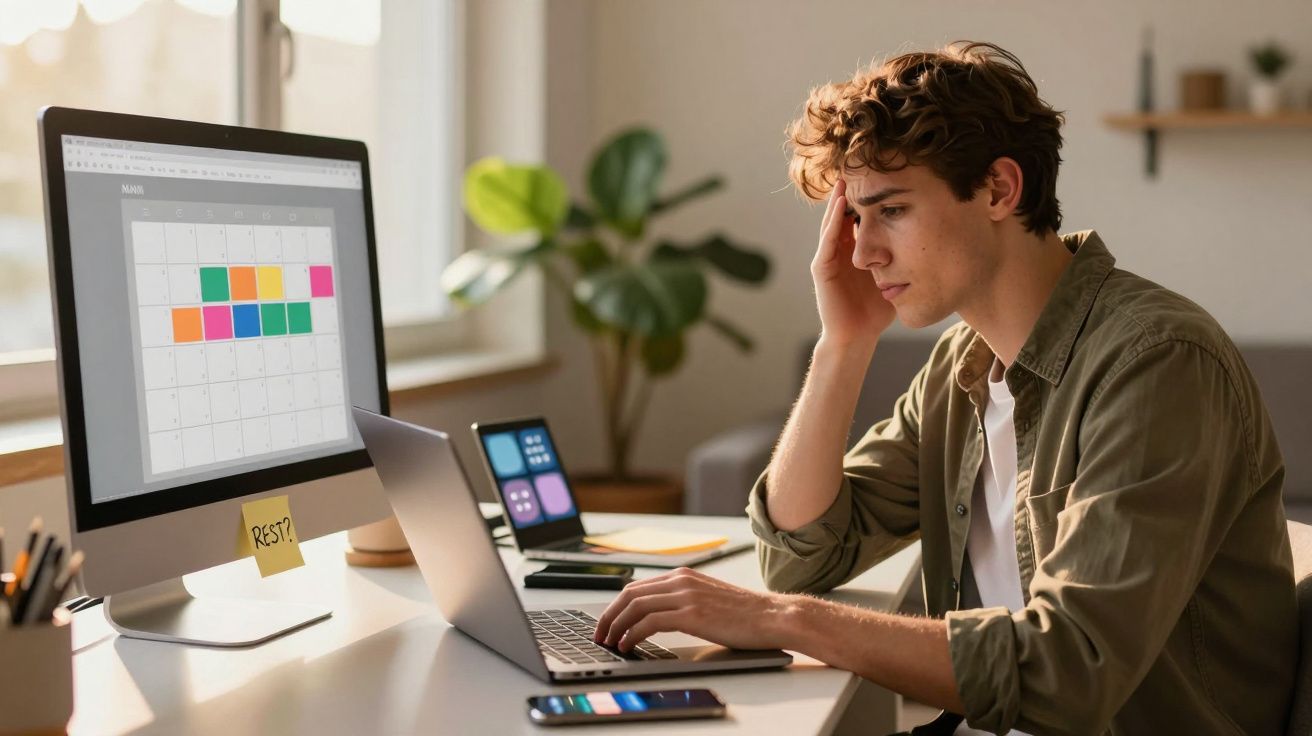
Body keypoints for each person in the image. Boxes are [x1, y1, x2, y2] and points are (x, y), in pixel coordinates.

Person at [592, 41, 1296, 734]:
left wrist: (783, 621)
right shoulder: (963, 366)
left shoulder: (1157, 362)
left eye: (892, 210)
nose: (862, 253)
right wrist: (844, 344)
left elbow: (1069, 668)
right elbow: (802, 556)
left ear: (999, 189)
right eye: (856, 218)